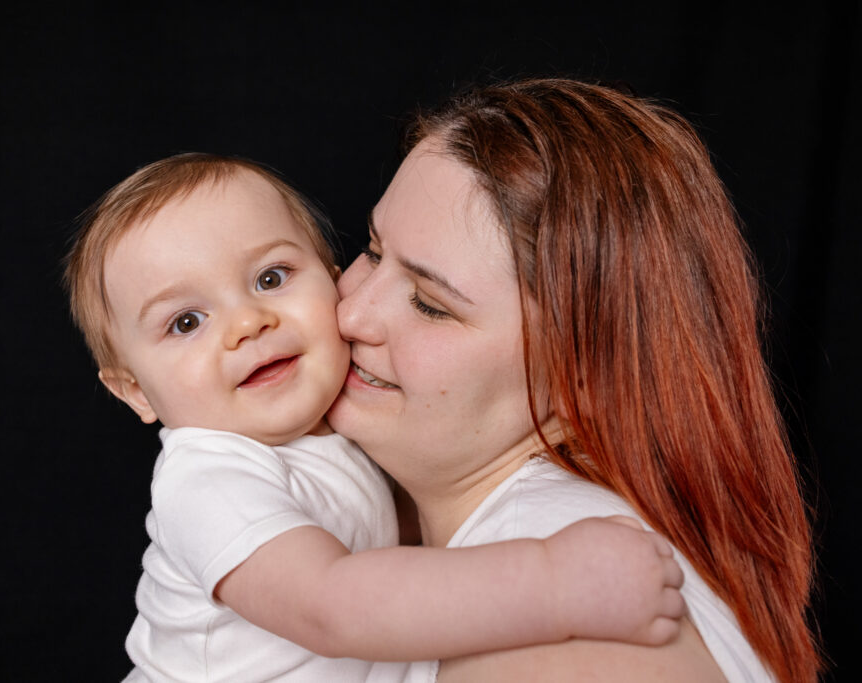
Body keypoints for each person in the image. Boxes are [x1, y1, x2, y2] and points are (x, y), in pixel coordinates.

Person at [63, 152, 687, 682]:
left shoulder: (347, 436)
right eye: (185, 322)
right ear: (135, 392)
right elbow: (330, 606)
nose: (248, 323)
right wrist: (554, 585)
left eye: (271, 278)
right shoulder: (207, 481)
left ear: (334, 280)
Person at [329, 78, 820, 683]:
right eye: (373, 252)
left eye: (431, 304)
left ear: (581, 377)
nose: (350, 313)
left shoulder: (558, 625)